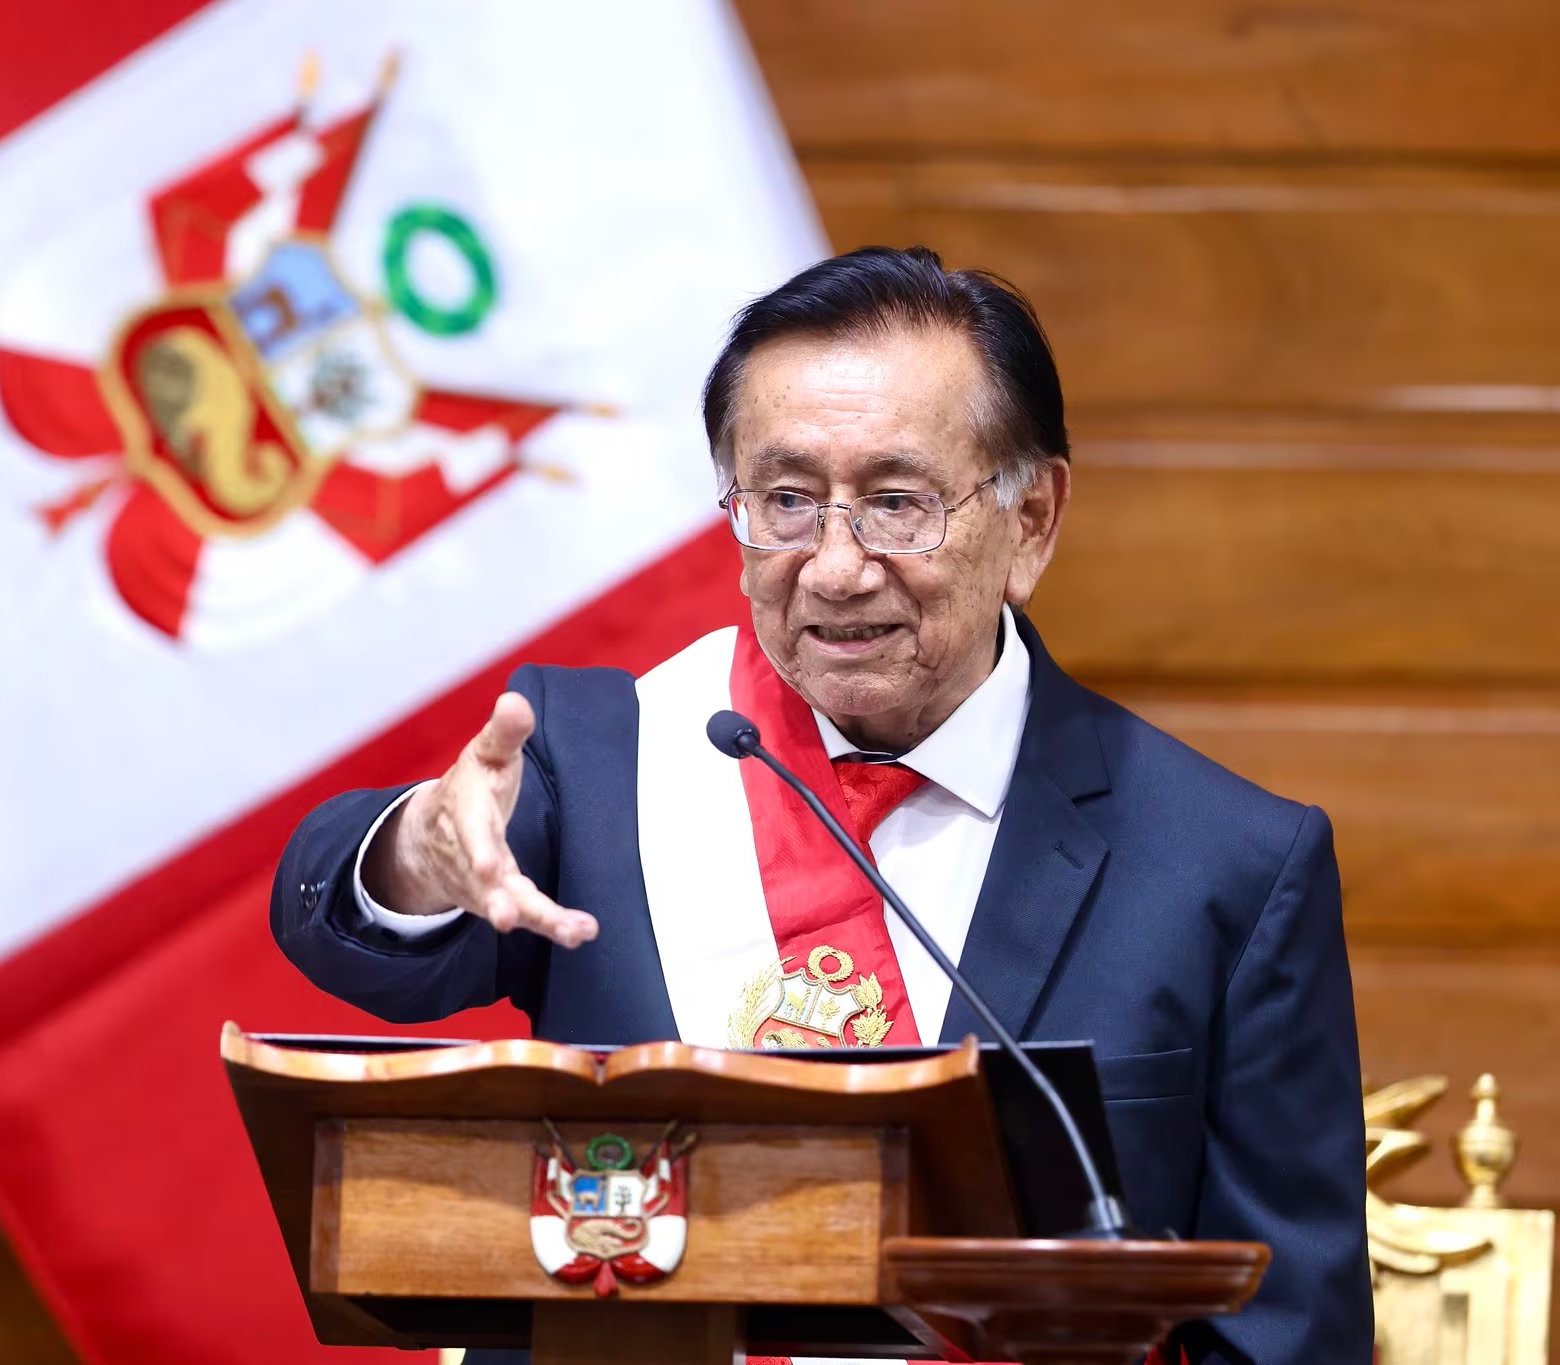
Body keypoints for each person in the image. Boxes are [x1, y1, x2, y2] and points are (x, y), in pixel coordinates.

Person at [272, 246, 1370, 1363]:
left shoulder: (1223, 865)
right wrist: (415, 850)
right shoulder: (601, 761)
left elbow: (1288, 1334)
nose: (835, 568)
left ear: (1030, 521)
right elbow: (346, 933)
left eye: (896, 504)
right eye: (786, 502)